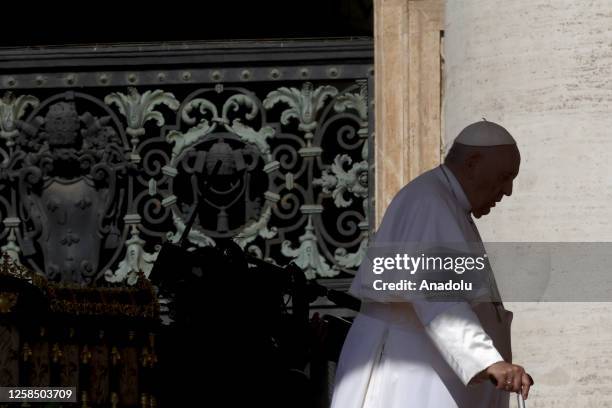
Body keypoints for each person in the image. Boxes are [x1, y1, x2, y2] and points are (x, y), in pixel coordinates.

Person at [330, 121, 533, 408]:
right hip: (408, 372)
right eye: (504, 177)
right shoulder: (430, 202)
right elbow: (440, 298)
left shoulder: (448, 204)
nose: (508, 190)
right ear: (473, 163)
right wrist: (488, 361)